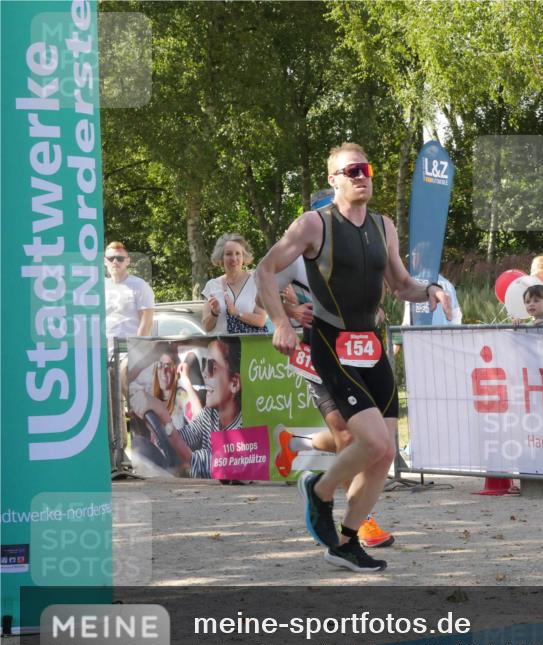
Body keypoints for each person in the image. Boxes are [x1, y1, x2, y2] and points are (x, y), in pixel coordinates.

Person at [256, 142, 452, 573]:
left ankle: (346, 542)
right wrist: (281, 323)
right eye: (351, 171)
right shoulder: (314, 224)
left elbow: (401, 285)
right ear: (333, 180)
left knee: (384, 453)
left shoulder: (384, 226)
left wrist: (431, 289)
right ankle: (319, 490)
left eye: (366, 169)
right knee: (372, 441)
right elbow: (265, 269)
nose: (361, 176)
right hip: (331, 342)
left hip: (372, 345)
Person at [266, 255, 395, 548]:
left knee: (363, 434)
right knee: (346, 434)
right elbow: (260, 295)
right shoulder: (298, 254)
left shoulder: (360, 245)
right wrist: (290, 313)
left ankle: (294, 442)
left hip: (357, 352)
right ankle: (361, 521)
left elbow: (382, 292)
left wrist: (373, 308)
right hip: (317, 352)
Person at [133, 337, 242, 479]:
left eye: (212, 367)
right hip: (205, 490)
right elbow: (183, 437)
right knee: (140, 445)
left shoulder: (243, 429)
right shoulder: (210, 415)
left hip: (223, 491)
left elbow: (195, 462)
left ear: (234, 383)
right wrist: (160, 423)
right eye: (204, 364)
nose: (204, 373)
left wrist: (163, 416)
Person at [105, 241, 155, 449]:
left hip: (129, 353)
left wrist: (137, 349)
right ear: (104, 261)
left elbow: (147, 319)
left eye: (119, 258)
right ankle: (117, 452)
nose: (115, 262)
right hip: (105, 353)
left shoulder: (138, 285)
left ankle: (148, 449)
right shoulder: (98, 287)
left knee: (136, 403)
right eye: (111, 258)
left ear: (128, 261)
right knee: (110, 407)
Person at [202, 234, 268, 335]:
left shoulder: (256, 282)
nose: (234, 258)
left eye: (238, 254)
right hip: (221, 344)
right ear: (221, 258)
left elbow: (261, 320)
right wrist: (214, 313)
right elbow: (206, 327)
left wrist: (237, 313)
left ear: (243, 257)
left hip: (248, 344)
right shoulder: (212, 285)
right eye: (228, 254)